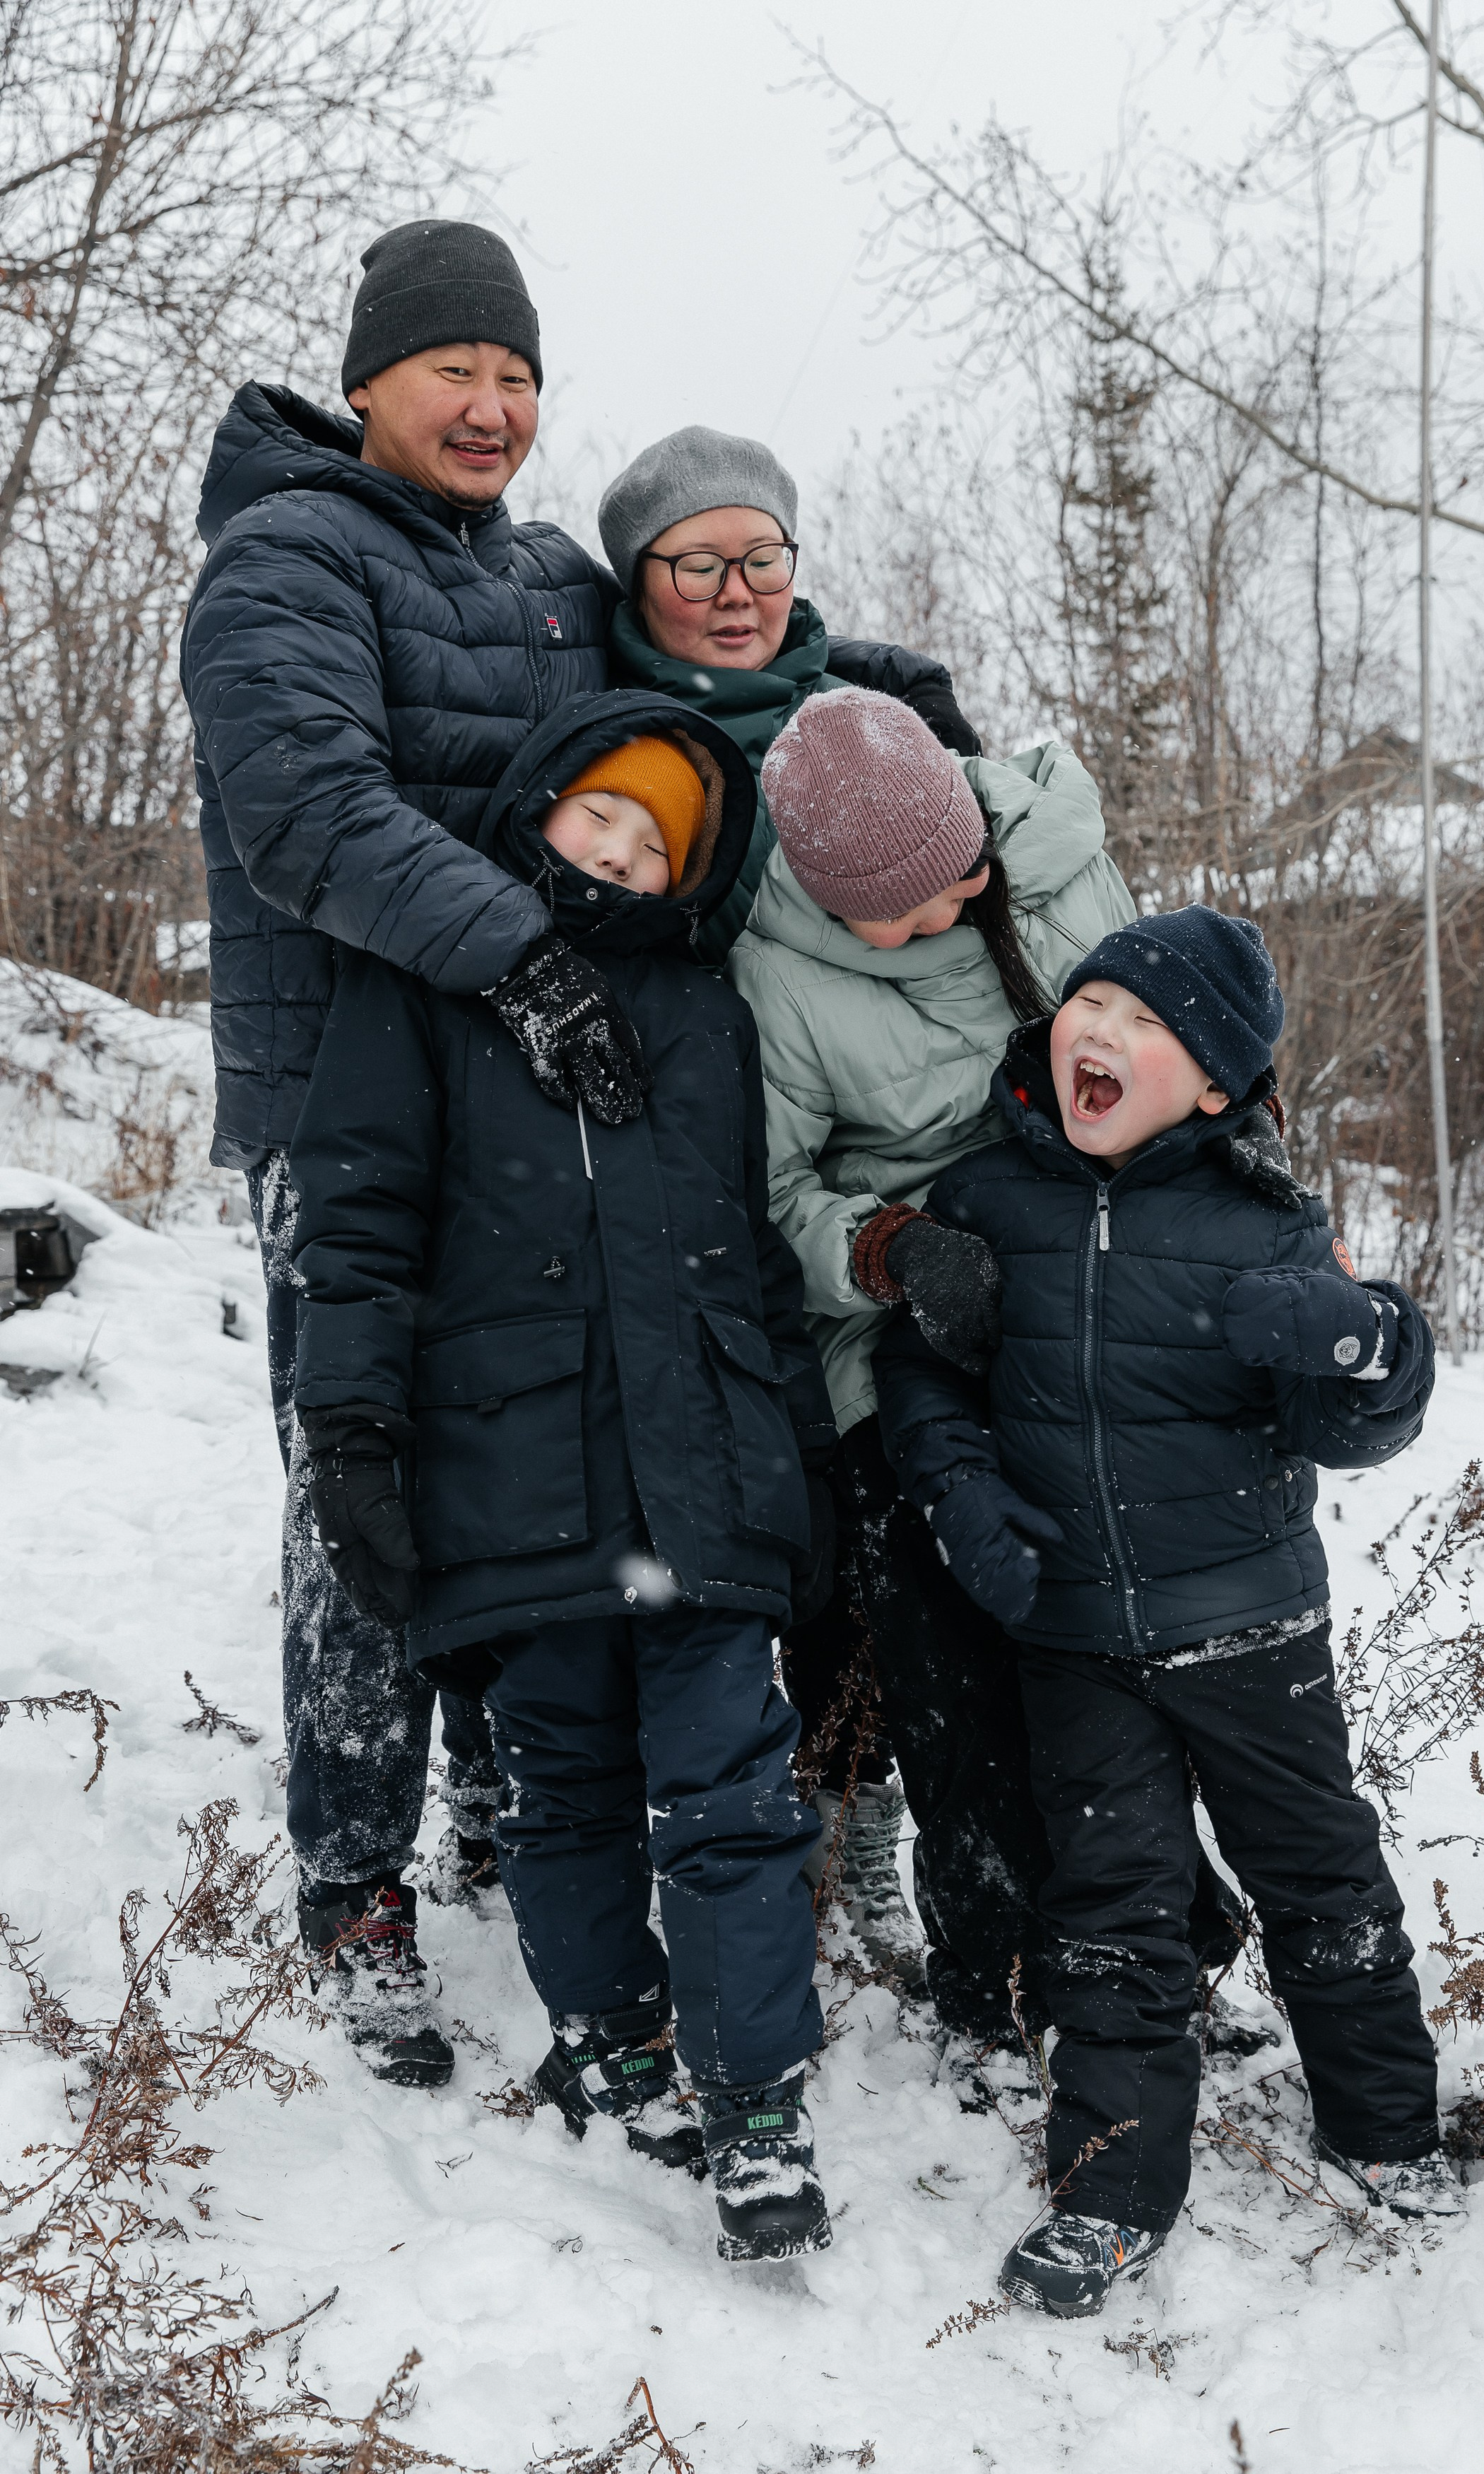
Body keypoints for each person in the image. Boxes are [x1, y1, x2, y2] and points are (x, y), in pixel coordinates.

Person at [181, 220, 646, 2087]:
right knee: (358, 1492)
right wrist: (526, 953)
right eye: (455, 366)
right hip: (343, 1114)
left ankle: (485, 1804)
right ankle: (354, 1877)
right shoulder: (284, 554)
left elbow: (688, 696)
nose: (492, 403)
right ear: (367, 378)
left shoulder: (546, 573)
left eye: (518, 373)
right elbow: (305, 810)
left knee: (514, 1472)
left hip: (522, 1111)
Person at [288, 691, 837, 2265]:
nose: (614, 849)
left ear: (689, 873)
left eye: (653, 838)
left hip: (699, 1485)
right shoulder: (429, 985)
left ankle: (753, 2103)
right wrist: (355, 1432)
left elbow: (746, 1260)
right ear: (538, 804)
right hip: (512, 1470)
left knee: (731, 1799)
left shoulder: (708, 1017)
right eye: (596, 811)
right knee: (561, 1789)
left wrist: (793, 1469)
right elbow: (360, 1230)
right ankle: (605, 2028)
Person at [875, 905, 1459, 2321]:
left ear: (1209, 1085)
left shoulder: (1261, 1224)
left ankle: (1385, 2133)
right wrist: (956, 1492)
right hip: (1071, 1634)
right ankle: (1111, 2185)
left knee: (1320, 1881)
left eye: (1148, 1027)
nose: (1103, 1032)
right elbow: (923, 1377)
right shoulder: (983, 1201)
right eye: (1091, 1001)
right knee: (1108, 1914)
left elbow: (1345, 1420)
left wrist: (1371, 1346)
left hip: (1247, 1626)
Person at [729, 684, 1160, 2032]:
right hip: (904, 1343)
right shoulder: (775, 965)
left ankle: (1144, 1950)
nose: (934, 920)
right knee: (956, 1676)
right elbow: (770, 1189)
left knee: (1130, 1660)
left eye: (956, 883)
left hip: (1098, 1299)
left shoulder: (1059, 858)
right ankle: (988, 1976)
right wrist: (886, 1247)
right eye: (895, 914)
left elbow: (1174, 1041)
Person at [601, 425, 982, 966]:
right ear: (638, 589)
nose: (736, 594)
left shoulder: (880, 726)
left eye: (762, 562)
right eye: (701, 569)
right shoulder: (600, 746)